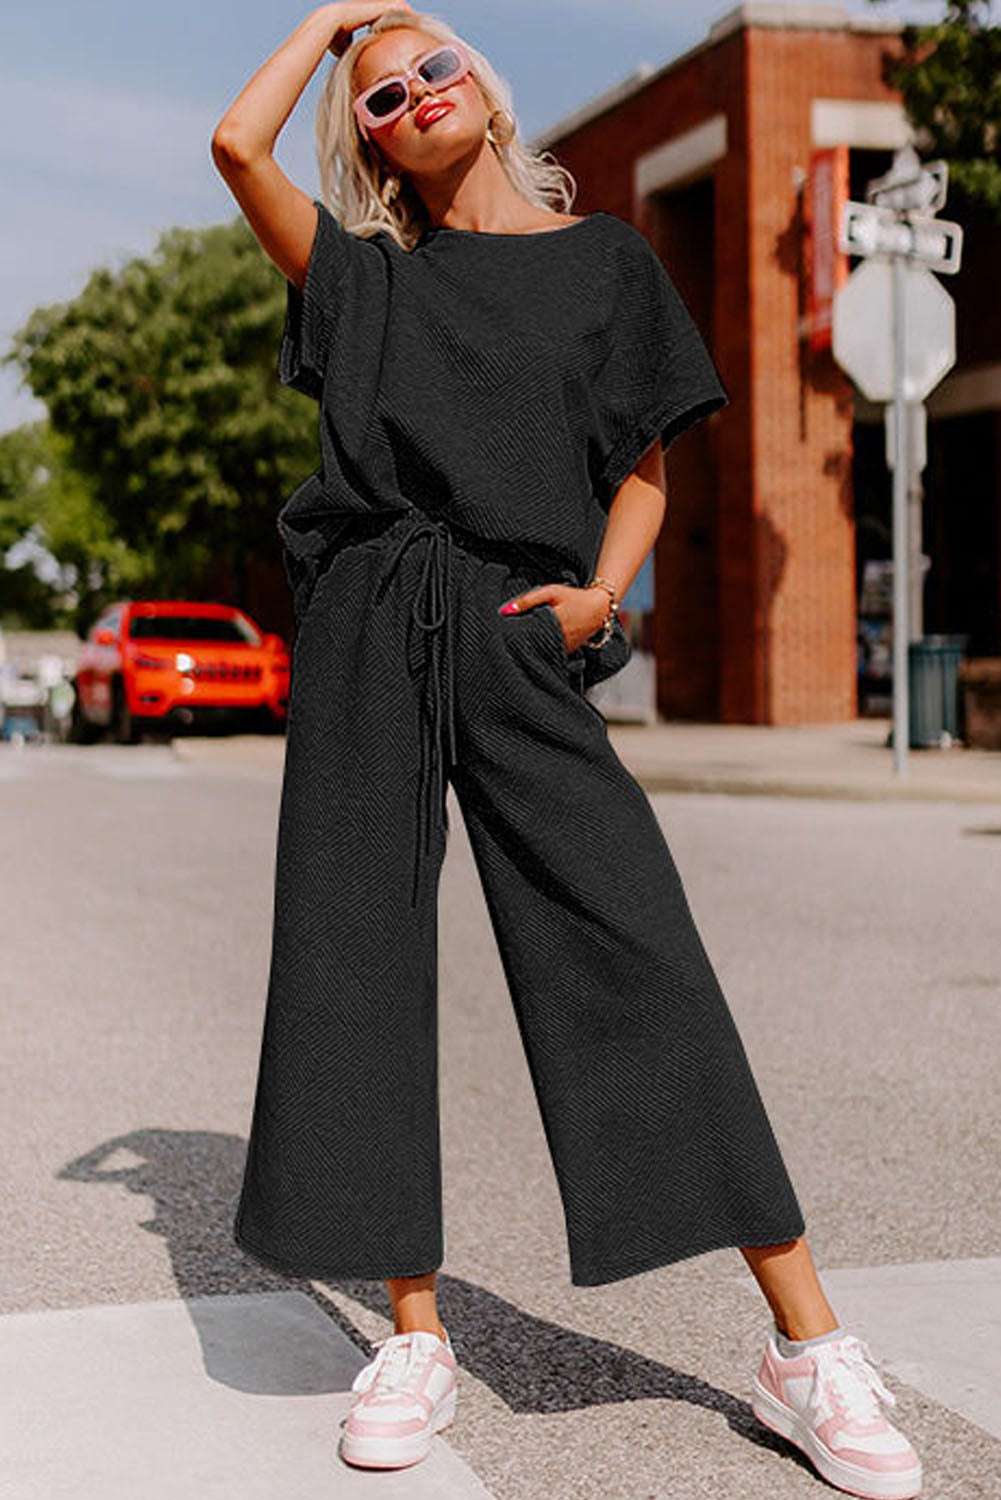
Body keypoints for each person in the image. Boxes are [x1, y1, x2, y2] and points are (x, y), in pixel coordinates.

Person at [211, 7, 922, 1495]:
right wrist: (333, 21)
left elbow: (644, 472)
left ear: (481, 82)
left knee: (632, 944)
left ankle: (801, 1342)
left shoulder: (605, 263)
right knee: (354, 958)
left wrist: (598, 598)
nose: (412, 94)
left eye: (432, 66)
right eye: (383, 96)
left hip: (523, 619)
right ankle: (411, 1332)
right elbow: (233, 143)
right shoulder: (365, 280)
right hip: (368, 616)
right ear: (372, 142)